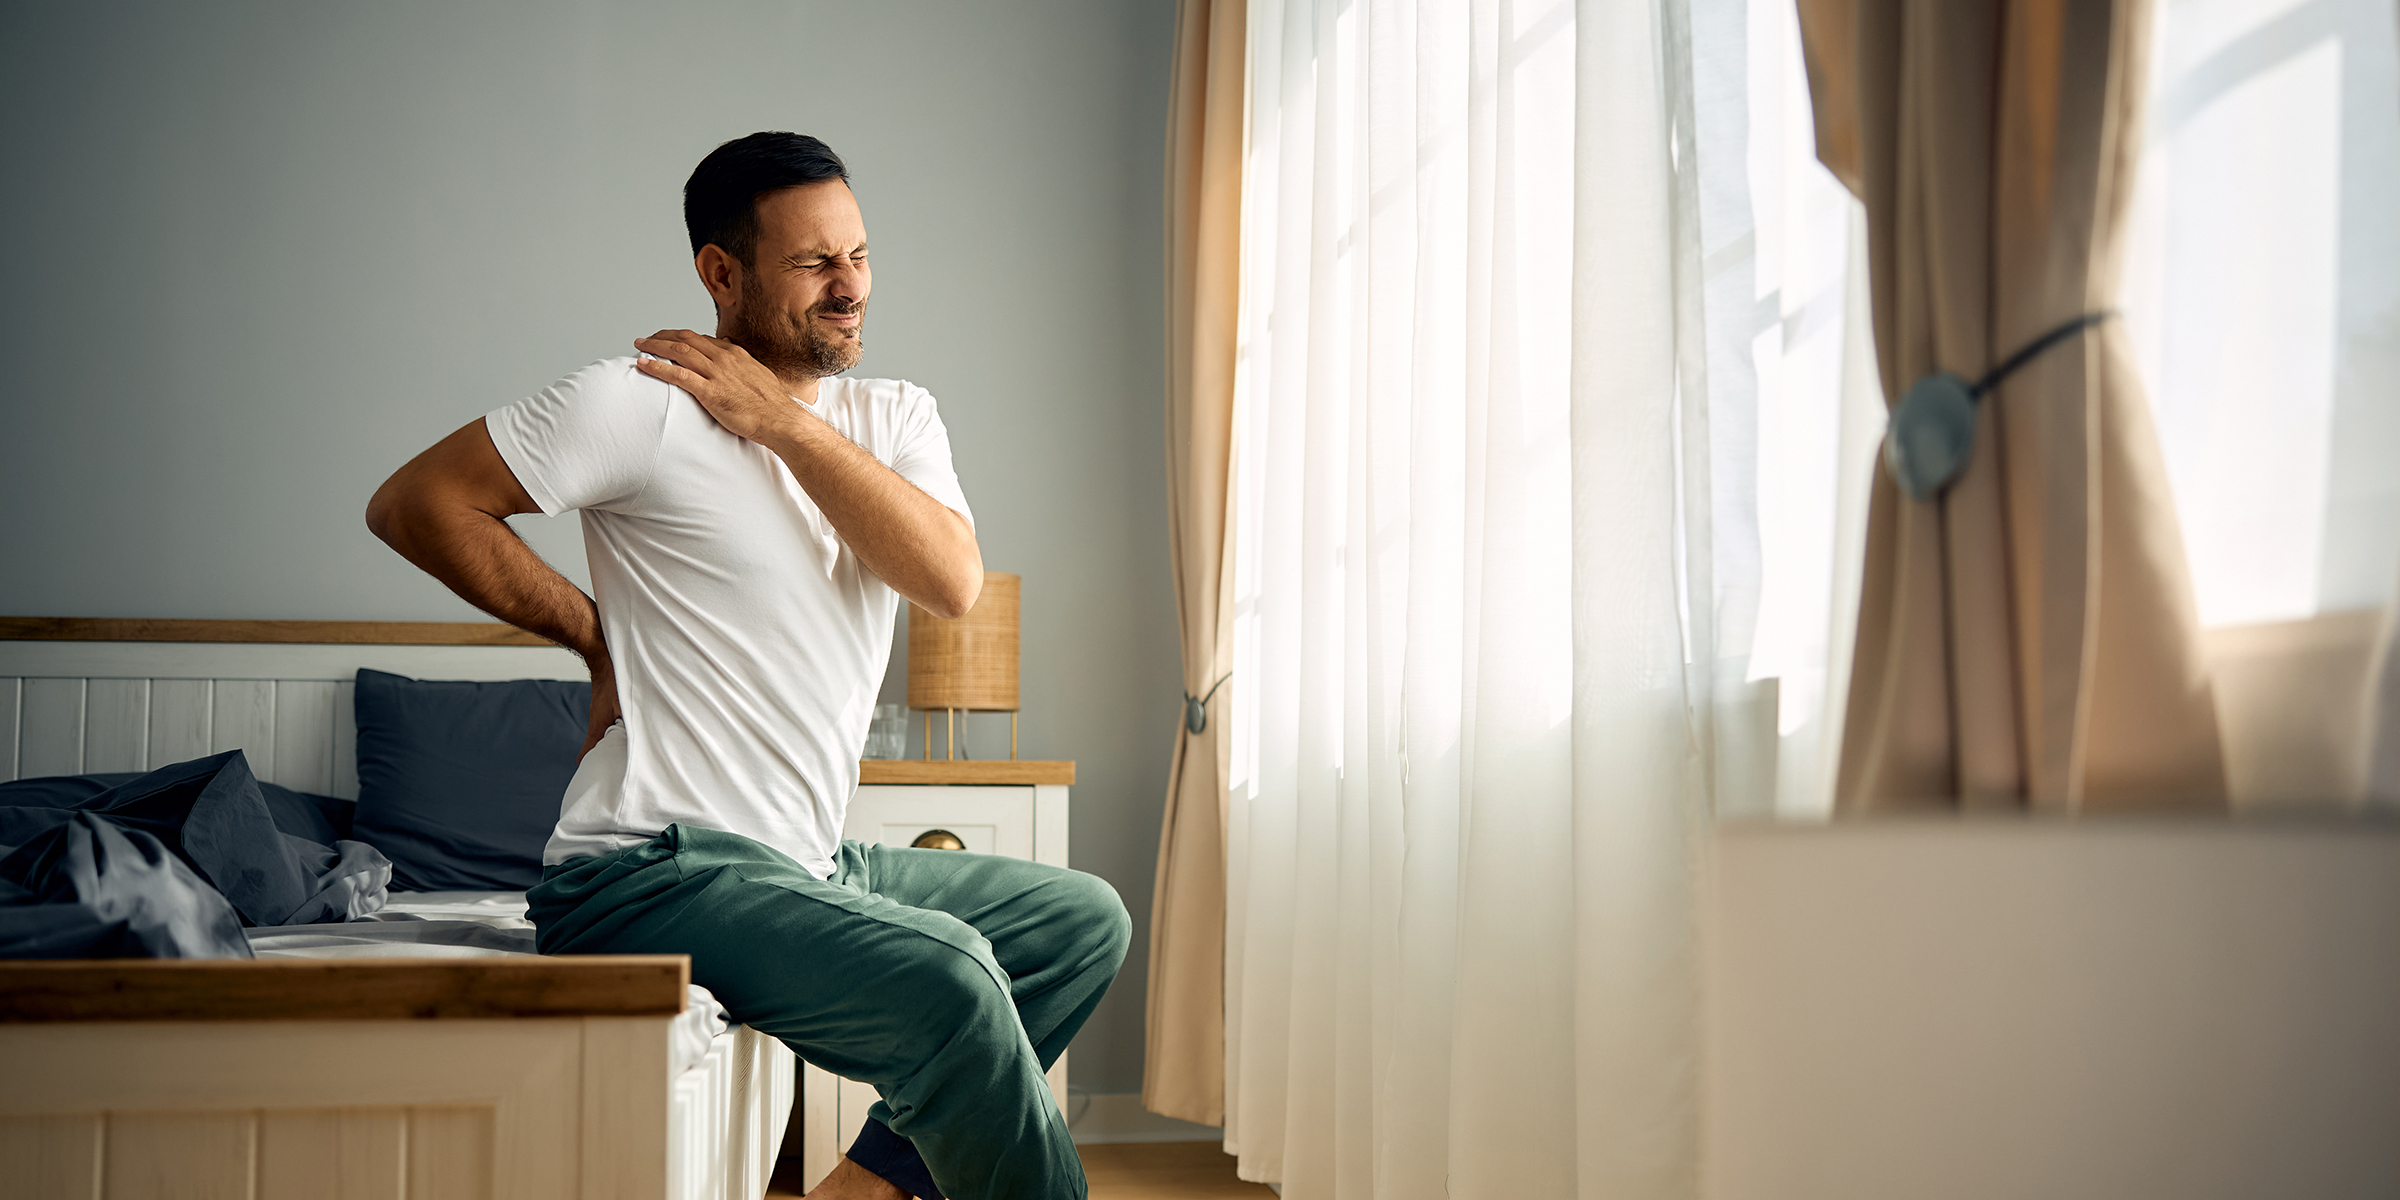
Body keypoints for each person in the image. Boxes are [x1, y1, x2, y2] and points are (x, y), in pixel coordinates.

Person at [365, 131, 1127, 1200]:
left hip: (798, 861)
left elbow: (949, 580)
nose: (849, 287)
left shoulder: (892, 417)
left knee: (1078, 921)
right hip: (647, 871)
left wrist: (783, 426)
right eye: (815, 263)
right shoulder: (639, 403)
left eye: (859, 255)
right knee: (954, 982)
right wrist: (593, 636)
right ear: (721, 273)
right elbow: (415, 503)